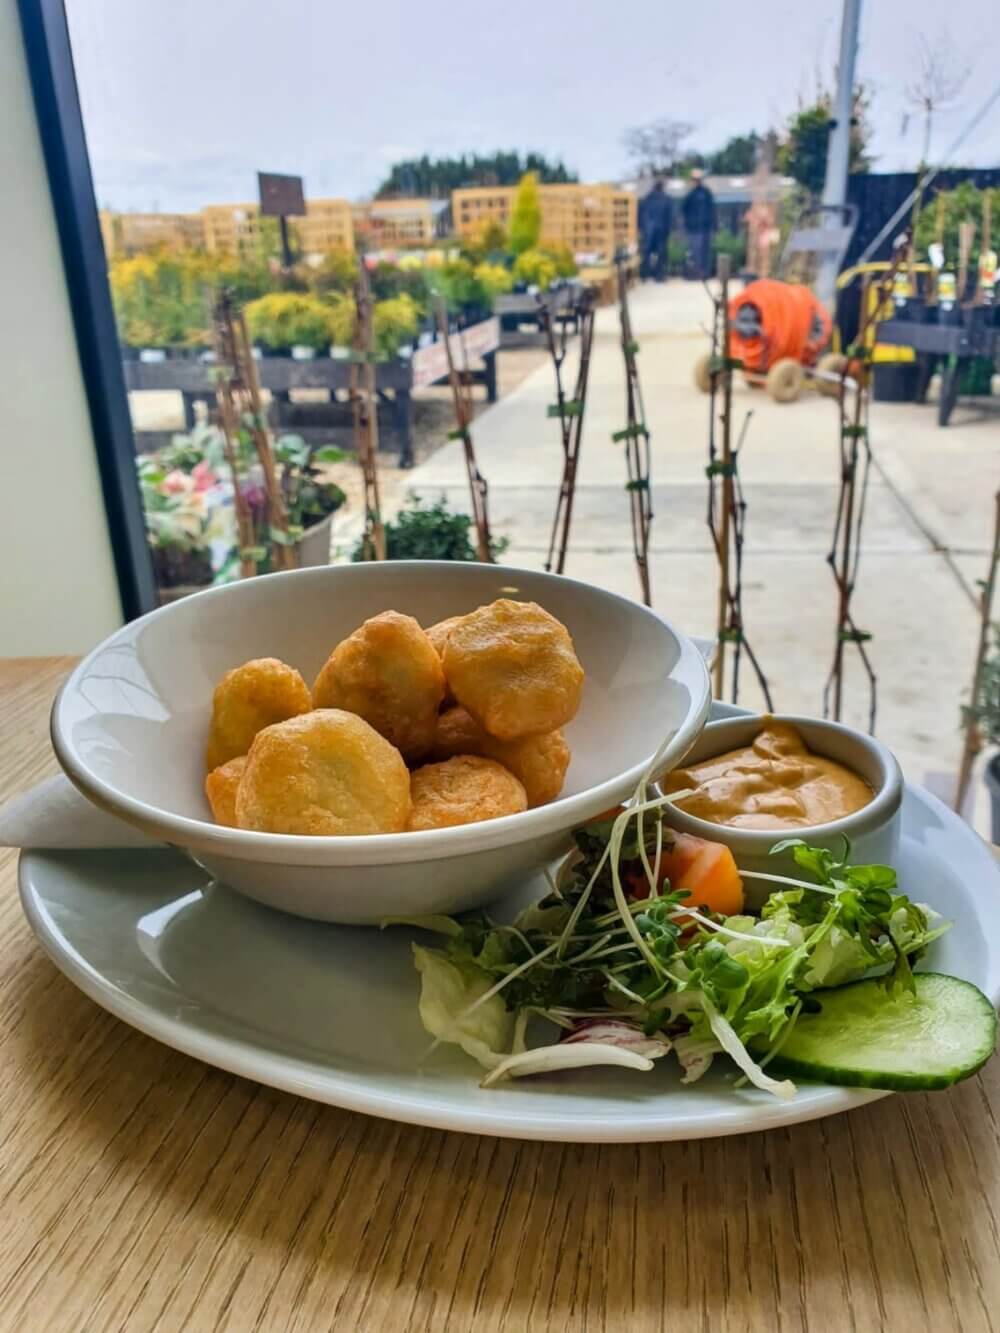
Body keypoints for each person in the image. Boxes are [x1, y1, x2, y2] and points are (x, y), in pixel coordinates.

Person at [682, 169, 716, 279]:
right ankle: (698, 274)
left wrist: (713, 226)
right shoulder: (691, 194)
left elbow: (712, 210)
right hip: (695, 229)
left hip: (703, 228)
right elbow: (684, 211)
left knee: (703, 251)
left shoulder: (705, 193)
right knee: (696, 252)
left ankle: (703, 273)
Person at [638, 179, 671, 281]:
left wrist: (641, 228)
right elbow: (669, 217)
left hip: (648, 230)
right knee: (661, 253)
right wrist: (668, 230)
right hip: (661, 230)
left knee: (646, 252)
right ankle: (660, 275)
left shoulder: (646, 199)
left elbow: (640, 215)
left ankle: (644, 274)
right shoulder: (666, 200)